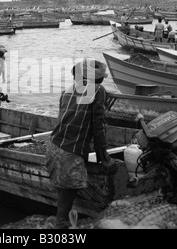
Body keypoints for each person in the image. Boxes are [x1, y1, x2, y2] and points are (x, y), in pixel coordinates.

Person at [46, 58, 118, 229]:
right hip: (69, 154)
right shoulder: (98, 90)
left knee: (63, 200)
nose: (102, 81)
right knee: (63, 211)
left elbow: (68, 121)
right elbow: (97, 127)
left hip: (54, 147)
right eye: (102, 78)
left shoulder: (67, 91)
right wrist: (104, 158)